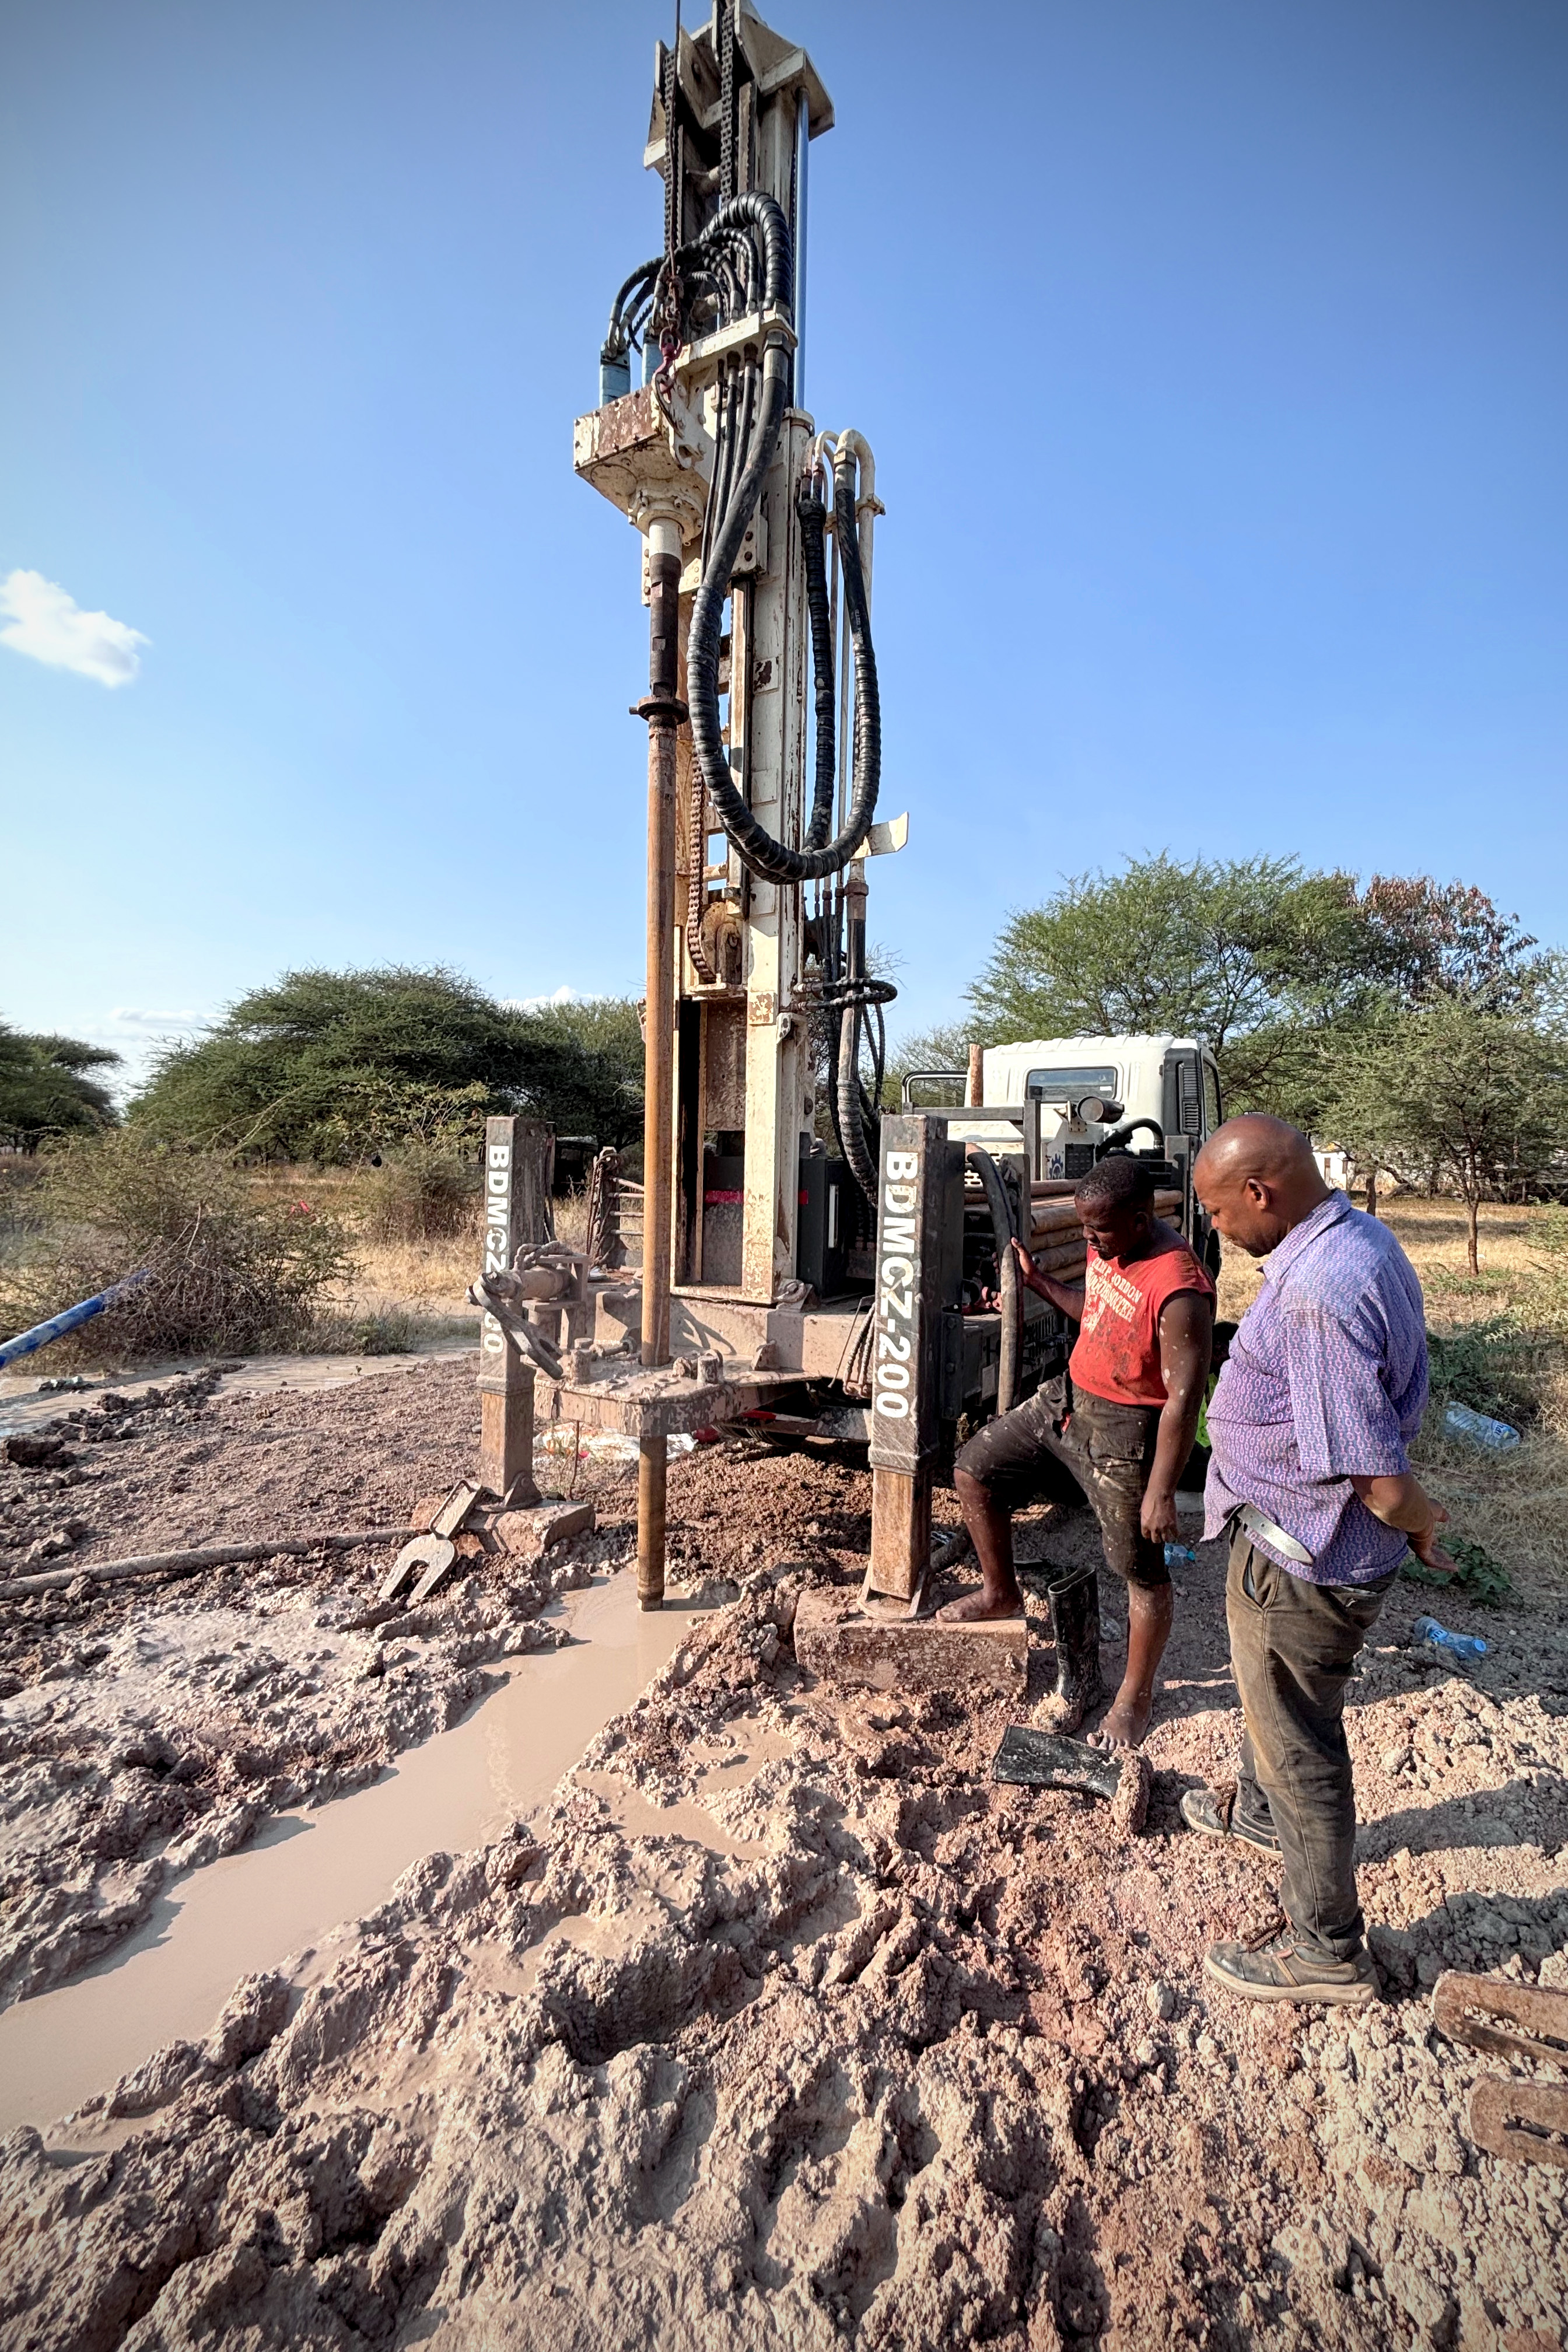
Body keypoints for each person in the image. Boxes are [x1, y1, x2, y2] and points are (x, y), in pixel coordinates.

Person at [1184, 1114, 1453, 2008]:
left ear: (1259, 1193)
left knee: (1301, 1744)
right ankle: (1261, 1814)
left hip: (1307, 1557)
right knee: (1278, 1704)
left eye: (1218, 1212)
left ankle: (1328, 1949)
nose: (1216, 1228)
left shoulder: (1318, 1296)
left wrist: (1418, 1519)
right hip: (1296, 1536)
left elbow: (1377, 1479)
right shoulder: (1354, 1236)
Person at [942, 1154, 1214, 1748]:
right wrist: (1038, 1282)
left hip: (1127, 1429)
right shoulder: (1110, 1245)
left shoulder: (1179, 1288)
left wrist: (1161, 1492)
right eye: (1085, 1228)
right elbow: (1096, 1314)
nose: (1090, 1240)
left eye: (1100, 1230)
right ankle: (1000, 1593)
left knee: (1139, 1569)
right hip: (1066, 1399)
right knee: (975, 1469)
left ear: (1140, 1219)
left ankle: (1135, 1699)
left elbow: (1183, 1401)